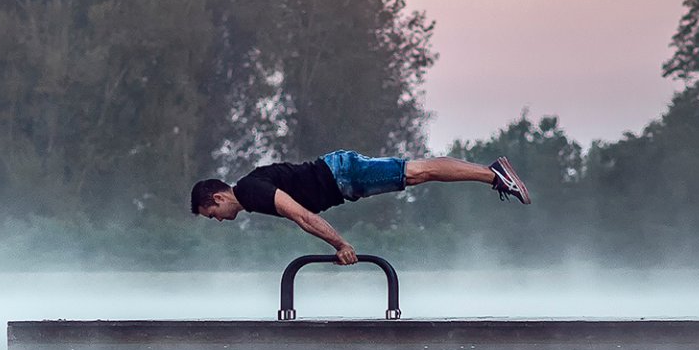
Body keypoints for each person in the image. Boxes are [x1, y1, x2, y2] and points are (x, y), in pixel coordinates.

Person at [190, 151, 529, 262]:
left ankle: (492, 174)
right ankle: (491, 175)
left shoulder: (250, 192)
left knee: (416, 172)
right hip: (343, 180)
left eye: (212, 215)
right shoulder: (251, 193)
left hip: (342, 173)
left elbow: (303, 217)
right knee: (416, 175)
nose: (218, 220)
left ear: (218, 198)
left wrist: (341, 244)